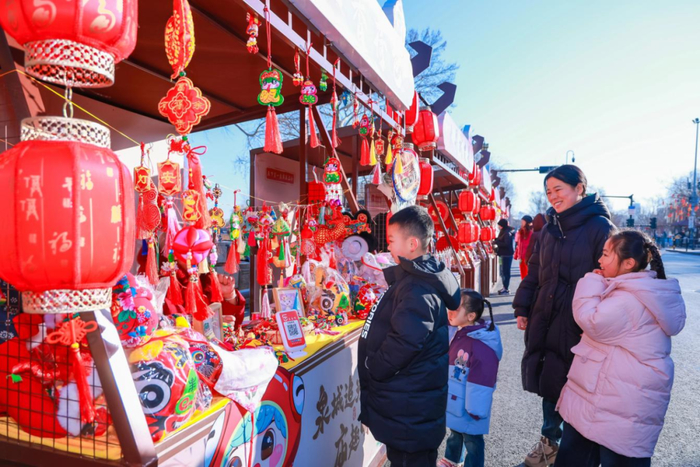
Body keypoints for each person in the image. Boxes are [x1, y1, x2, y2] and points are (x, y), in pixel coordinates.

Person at [512, 165, 615, 467]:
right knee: (551, 378)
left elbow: (611, 276)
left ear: (579, 189)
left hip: (580, 319)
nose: (553, 196)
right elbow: (535, 271)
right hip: (548, 312)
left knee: (578, 385)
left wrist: (596, 317)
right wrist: (523, 306)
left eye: (559, 189)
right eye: (548, 191)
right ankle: (549, 444)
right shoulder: (548, 229)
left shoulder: (600, 227)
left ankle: (573, 452)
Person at [555, 231, 686, 466]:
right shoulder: (639, 291)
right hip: (617, 395)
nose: (600, 260)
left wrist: (592, 282)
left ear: (628, 264)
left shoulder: (628, 300)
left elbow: (591, 320)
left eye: (606, 254)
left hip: (617, 401)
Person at [358, 205, 461, 467]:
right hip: (413, 404)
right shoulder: (418, 279)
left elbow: (405, 342)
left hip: (409, 407)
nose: (388, 248)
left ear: (412, 243)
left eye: (392, 241)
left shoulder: (417, 287)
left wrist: (374, 366)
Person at [438, 289, 503, 467]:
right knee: (455, 432)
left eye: (455, 309)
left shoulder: (481, 342)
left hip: (471, 404)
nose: (450, 312)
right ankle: (452, 459)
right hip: (459, 397)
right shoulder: (461, 332)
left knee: (473, 440)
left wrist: (476, 408)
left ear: (470, 316)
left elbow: (482, 379)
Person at [494, 219, 515, 295]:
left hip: (506, 255)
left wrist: (496, 242)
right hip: (503, 254)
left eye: (499, 225)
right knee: (503, 271)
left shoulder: (506, 233)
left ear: (502, 225)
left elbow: (506, 244)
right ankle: (504, 287)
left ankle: (506, 288)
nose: (499, 227)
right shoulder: (504, 231)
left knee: (505, 272)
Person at [514, 215, 534, 279]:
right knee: (523, 275)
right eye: (521, 221)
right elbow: (519, 245)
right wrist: (516, 254)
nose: (521, 222)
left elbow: (532, 246)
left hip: (528, 257)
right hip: (521, 257)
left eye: (523, 221)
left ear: (527, 222)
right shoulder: (520, 232)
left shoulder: (531, 232)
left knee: (528, 275)